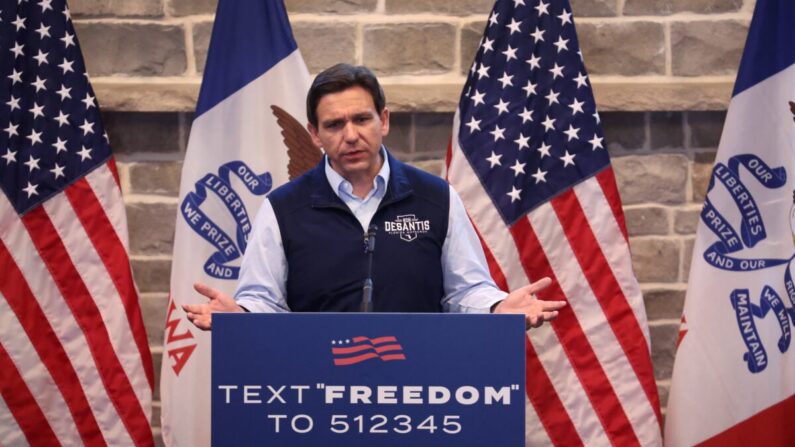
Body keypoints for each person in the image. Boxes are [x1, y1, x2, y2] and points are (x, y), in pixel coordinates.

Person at [184, 64, 566, 329]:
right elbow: (264, 300)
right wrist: (241, 315)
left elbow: (465, 290)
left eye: (362, 119)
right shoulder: (283, 208)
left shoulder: (436, 198)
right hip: (317, 382)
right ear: (314, 135)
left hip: (417, 379)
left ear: (383, 120)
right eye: (334, 125)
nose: (350, 135)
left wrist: (497, 306)